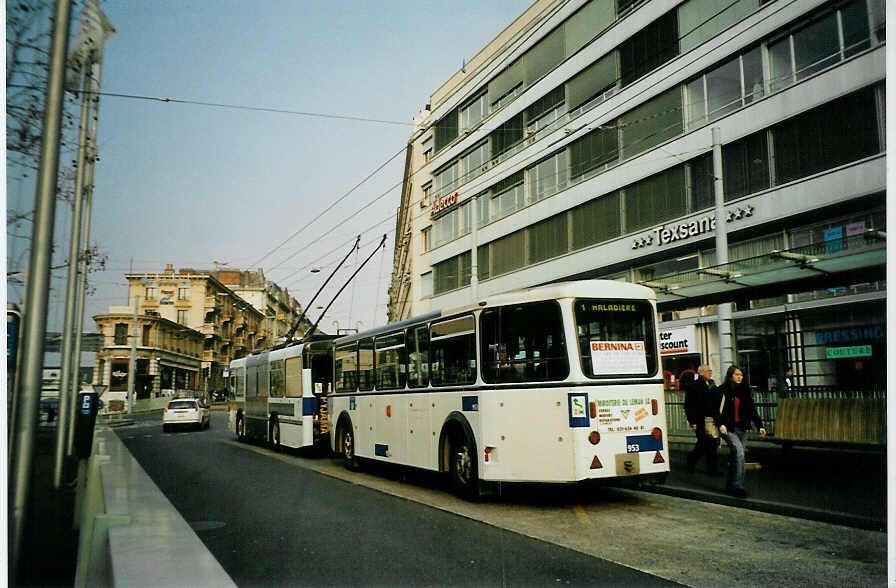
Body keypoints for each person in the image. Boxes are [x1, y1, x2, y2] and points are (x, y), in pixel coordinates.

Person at [715, 365, 766, 498]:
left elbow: (751, 409)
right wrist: (720, 424)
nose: (739, 377)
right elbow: (717, 410)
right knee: (739, 454)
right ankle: (738, 486)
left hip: (742, 428)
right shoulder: (723, 390)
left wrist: (759, 425)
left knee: (737, 457)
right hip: (728, 428)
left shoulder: (745, 390)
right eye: (737, 374)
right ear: (730, 375)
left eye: (741, 375)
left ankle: (730, 485)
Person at [684, 365, 720, 474]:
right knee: (703, 443)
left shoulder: (712, 384)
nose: (710, 373)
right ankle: (692, 461)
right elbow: (689, 406)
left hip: (712, 419)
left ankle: (712, 469)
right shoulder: (693, 386)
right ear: (701, 373)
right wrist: (692, 421)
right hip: (700, 420)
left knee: (712, 444)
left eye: (711, 370)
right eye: (708, 371)